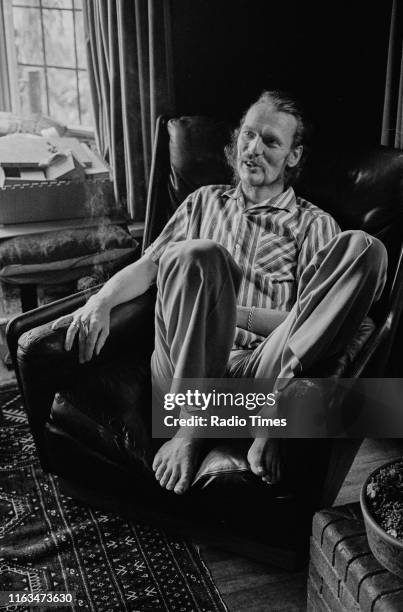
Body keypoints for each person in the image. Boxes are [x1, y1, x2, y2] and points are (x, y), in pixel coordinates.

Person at [52, 90, 387, 496]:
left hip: (260, 373)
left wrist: (233, 314)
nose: (253, 149)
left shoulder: (313, 225)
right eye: (248, 135)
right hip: (180, 373)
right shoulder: (201, 202)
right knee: (200, 254)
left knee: (365, 248)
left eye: (270, 142)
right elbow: (149, 267)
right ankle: (196, 428)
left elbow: (313, 319)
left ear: (293, 157)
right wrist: (100, 301)